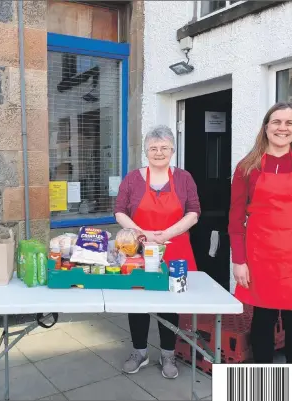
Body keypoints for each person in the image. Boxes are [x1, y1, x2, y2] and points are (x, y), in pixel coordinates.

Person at [228, 102, 292, 364]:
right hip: (262, 256)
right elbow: (235, 219)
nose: (282, 128)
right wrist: (239, 260)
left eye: (289, 123)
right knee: (263, 318)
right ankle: (263, 382)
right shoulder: (248, 167)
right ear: (266, 127)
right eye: (277, 122)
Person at [114, 125, 200, 378]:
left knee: (171, 303)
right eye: (153, 148)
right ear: (146, 151)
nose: (159, 152)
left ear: (173, 150)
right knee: (138, 300)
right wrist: (143, 234)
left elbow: (194, 212)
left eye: (164, 148)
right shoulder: (132, 179)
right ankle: (139, 352)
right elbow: (119, 210)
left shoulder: (184, 178)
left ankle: (168, 354)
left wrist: (167, 234)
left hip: (176, 249)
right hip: (139, 249)